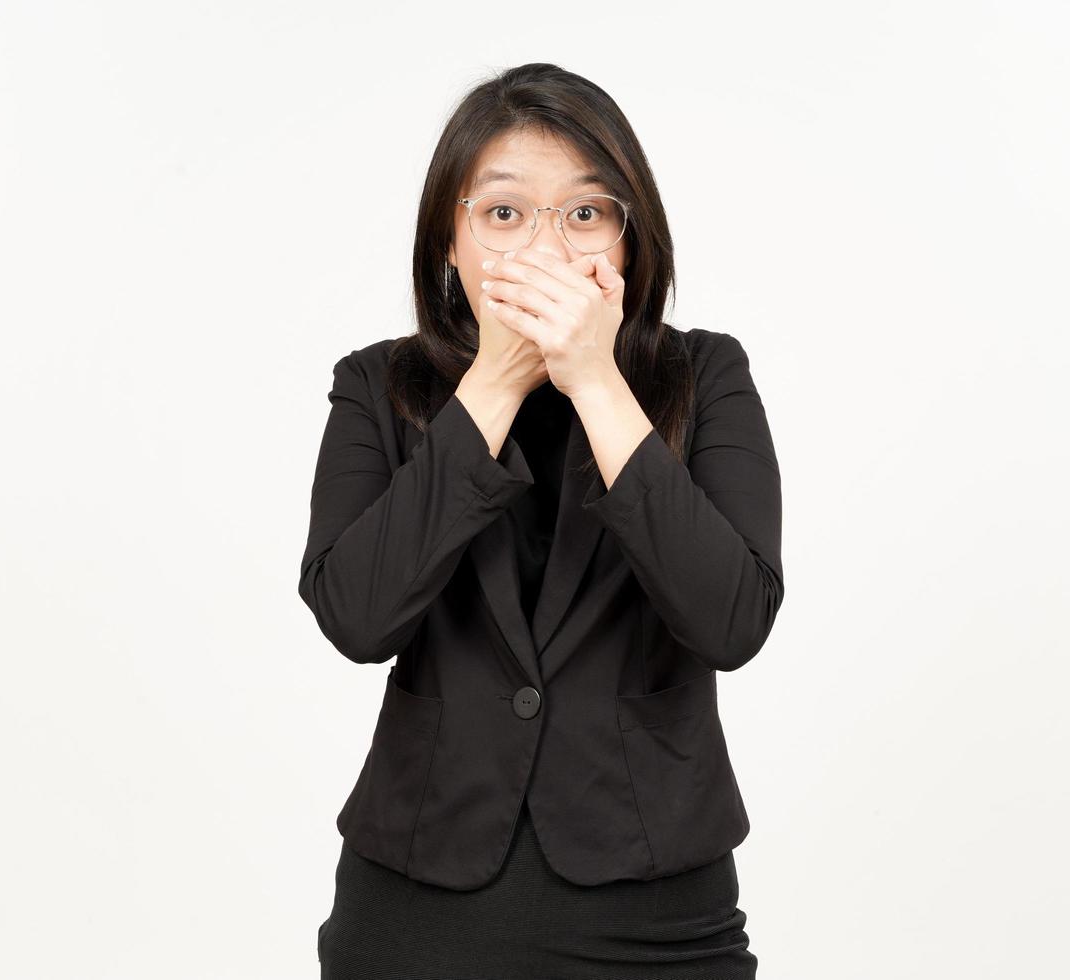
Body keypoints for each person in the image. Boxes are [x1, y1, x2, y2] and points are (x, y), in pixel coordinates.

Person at [300, 62, 782, 979]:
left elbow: (732, 621)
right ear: (451, 240)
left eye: (586, 213)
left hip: (657, 916)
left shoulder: (705, 377)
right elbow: (357, 619)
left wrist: (596, 380)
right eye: (504, 213)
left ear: (631, 240)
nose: (545, 250)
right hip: (413, 913)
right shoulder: (376, 387)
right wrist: (495, 382)